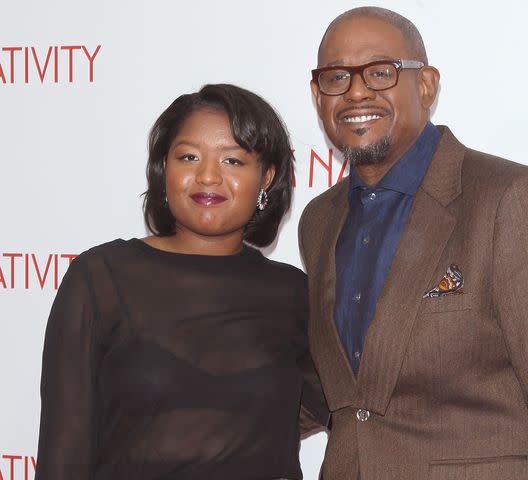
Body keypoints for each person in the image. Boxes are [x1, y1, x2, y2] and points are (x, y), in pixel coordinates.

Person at [298, 7, 528, 480]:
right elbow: (338, 390)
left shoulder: (509, 198)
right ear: (318, 95)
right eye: (336, 77)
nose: (356, 91)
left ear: (426, 84)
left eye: (380, 72)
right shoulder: (318, 221)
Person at [35, 83, 327, 480]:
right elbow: (63, 455)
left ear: (267, 178)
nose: (207, 176)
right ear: (163, 170)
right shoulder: (100, 279)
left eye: (233, 161)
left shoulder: (294, 293)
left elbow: (353, 408)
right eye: (188, 157)